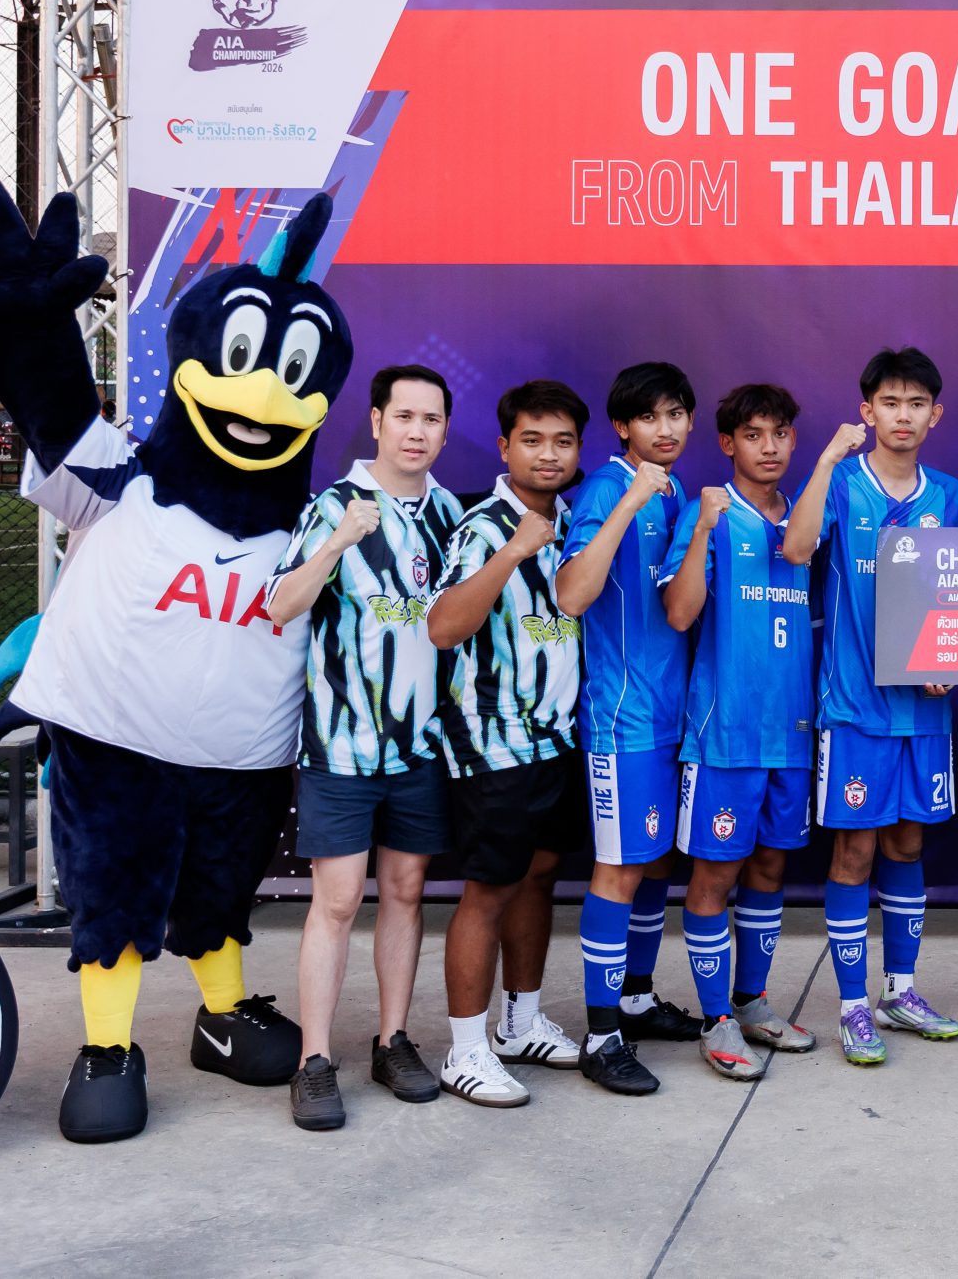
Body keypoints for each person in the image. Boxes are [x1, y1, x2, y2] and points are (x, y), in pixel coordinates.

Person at [267, 364, 466, 1130]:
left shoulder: (450, 512)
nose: (417, 431)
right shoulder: (334, 506)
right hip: (342, 746)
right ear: (377, 421)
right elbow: (279, 605)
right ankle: (315, 1059)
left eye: (431, 418)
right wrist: (338, 542)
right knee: (339, 899)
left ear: (445, 430)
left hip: (421, 747)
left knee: (407, 891)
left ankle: (392, 1041)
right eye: (404, 416)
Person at [784, 347, 958, 1065]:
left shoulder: (948, 494)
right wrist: (825, 461)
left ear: (935, 415)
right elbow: (798, 549)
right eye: (890, 402)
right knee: (856, 849)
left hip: (922, 712)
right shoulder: (841, 482)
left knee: (907, 845)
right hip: (855, 706)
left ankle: (901, 990)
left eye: (916, 403)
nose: (903, 415)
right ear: (867, 411)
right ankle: (852, 1005)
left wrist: (951, 664)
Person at [422, 379, 594, 1109]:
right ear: (504, 447)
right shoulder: (484, 525)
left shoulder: (576, 521)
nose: (547, 454)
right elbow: (443, 627)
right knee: (489, 889)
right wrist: (514, 549)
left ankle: (519, 1024)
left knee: (539, 875)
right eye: (532, 439)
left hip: (556, 739)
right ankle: (465, 1051)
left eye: (562, 441)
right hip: (494, 744)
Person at [661, 383, 821, 1081]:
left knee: (770, 868)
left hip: (792, 728)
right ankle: (714, 1018)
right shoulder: (712, 512)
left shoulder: (807, 516)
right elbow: (679, 614)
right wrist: (700, 530)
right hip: (725, 731)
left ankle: (751, 1001)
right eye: (753, 434)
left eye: (780, 433)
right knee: (715, 874)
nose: (769, 447)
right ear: (728, 442)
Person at [556, 361, 702, 1095]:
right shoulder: (608, 488)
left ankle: (636, 999)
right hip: (623, 720)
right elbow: (572, 594)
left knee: (656, 864)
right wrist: (628, 501)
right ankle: (601, 1034)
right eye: (650, 416)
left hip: (675, 715)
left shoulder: (676, 489)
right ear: (622, 426)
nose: (665, 428)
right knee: (617, 869)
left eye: (676, 414)